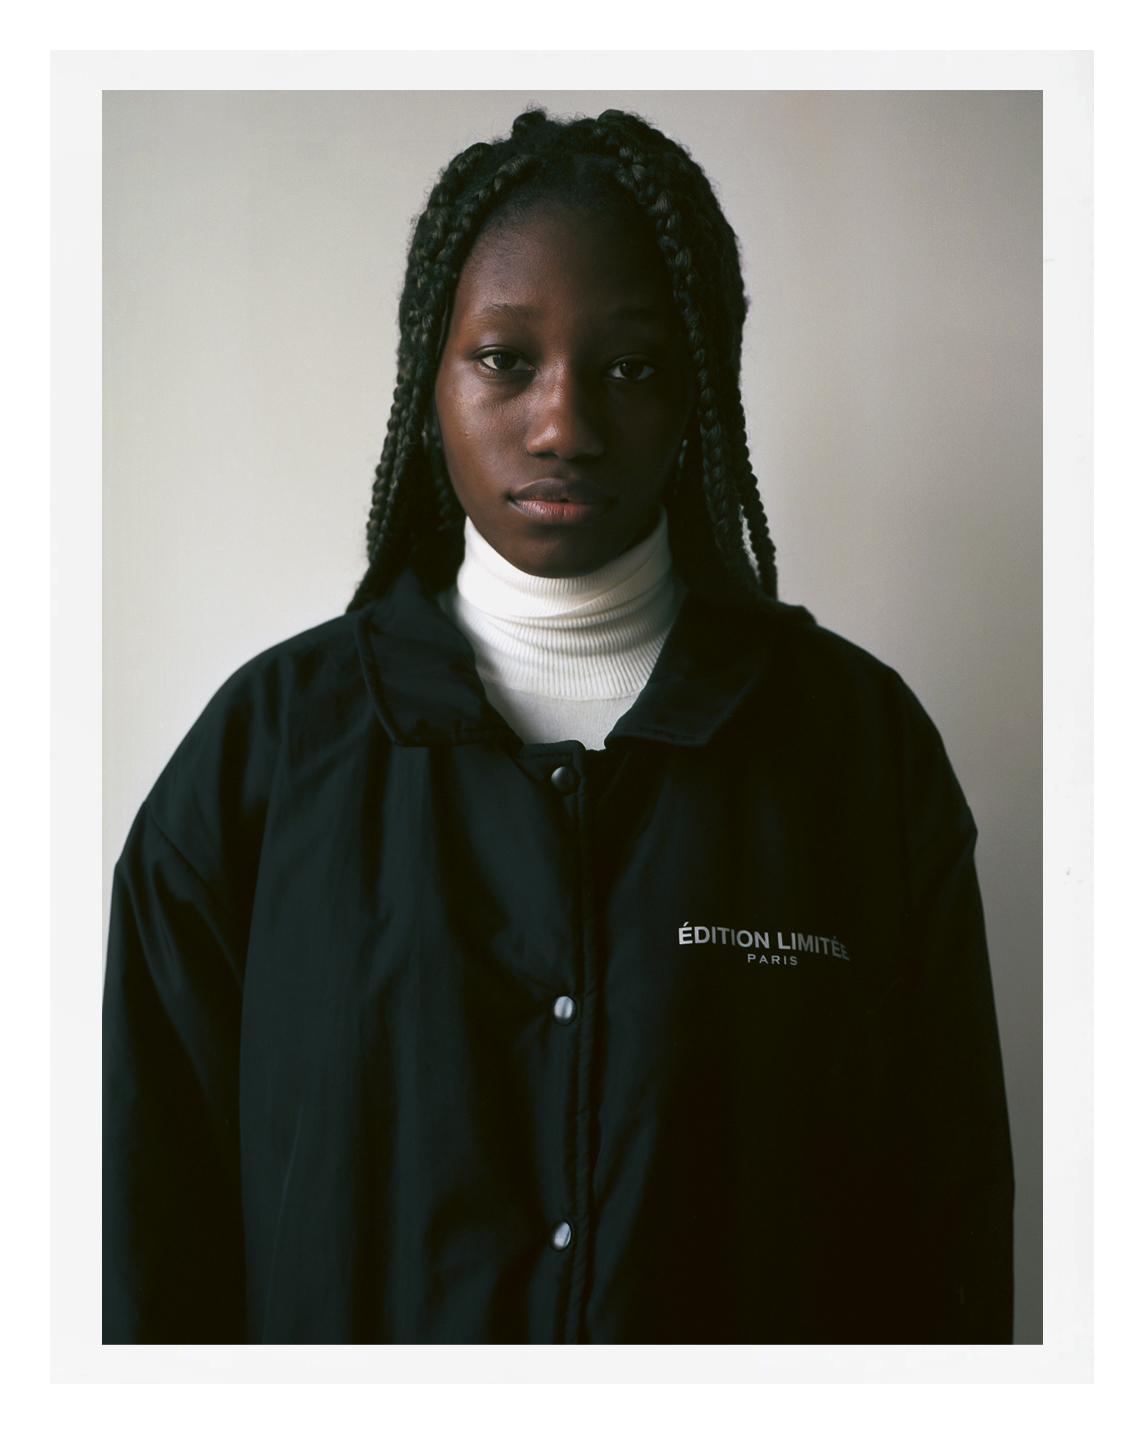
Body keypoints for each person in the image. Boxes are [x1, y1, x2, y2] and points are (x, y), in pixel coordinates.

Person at [103, 107, 1014, 1344]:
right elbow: (153, 1243)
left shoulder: (854, 752)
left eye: (631, 366)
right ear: (429, 373)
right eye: (503, 360)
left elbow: (943, 1238)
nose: (563, 425)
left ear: (699, 385)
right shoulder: (263, 758)